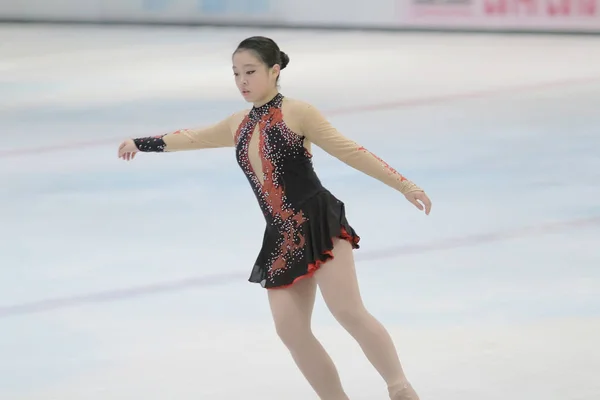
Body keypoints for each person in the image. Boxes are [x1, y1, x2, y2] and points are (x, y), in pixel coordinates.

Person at [118, 36, 431, 400]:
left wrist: (404, 185)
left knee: (347, 311)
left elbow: (351, 152)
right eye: (236, 74)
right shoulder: (238, 123)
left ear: (274, 70)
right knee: (290, 330)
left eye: (250, 72)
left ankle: (400, 389)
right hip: (281, 235)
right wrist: (141, 142)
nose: (242, 81)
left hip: (318, 223)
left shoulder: (299, 112)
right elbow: (193, 137)